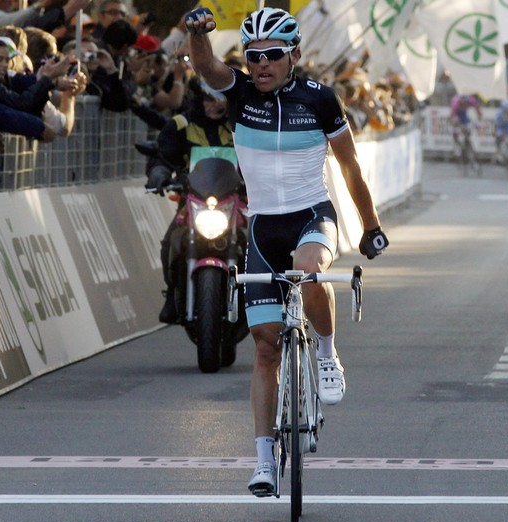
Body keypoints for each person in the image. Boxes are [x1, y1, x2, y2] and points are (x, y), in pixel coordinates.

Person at [184, 6, 389, 497]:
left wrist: (371, 227)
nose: (261, 66)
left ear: (294, 54)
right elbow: (207, 67)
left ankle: (325, 351)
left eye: (272, 56)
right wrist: (196, 34)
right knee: (264, 346)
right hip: (263, 228)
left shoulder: (320, 100)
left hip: (310, 216)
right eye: (253, 57)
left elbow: (350, 167)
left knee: (307, 268)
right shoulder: (238, 94)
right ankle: (263, 462)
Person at [143, 77, 235, 324]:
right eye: (209, 99)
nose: (216, 106)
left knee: (260, 239)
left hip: (237, 201)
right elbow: (162, 157)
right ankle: (173, 294)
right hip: (194, 201)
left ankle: (264, 294)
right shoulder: (180, 125)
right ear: (198, 99)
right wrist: (159, 174)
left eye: (221, 100)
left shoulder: (240, 125)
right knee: (170, 241)